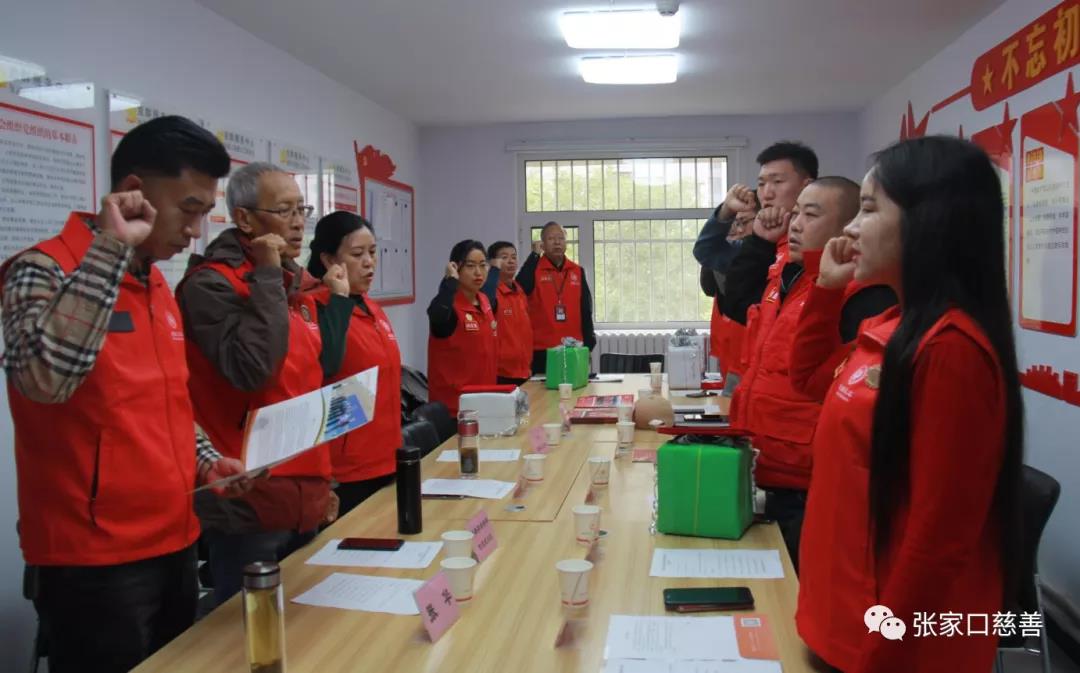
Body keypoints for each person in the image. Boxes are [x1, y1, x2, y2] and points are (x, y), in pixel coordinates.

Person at [0, 115, 248, 673]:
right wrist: (111, 248)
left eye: (205, 214)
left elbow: (160, 404)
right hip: (94, 560)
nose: (195, 231)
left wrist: (206, 460)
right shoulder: (41, 270)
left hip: (175, 538)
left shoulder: (155, 281)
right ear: (134, 191)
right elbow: (43, 380)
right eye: (188, 210)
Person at [793, 136, 1023, 673]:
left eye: (869, 209)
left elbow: (938, 540)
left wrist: (883, 654)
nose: (851, 229)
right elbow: (807, 379)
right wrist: (825, 290)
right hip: (838, 624)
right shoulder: (889, 329)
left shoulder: (950, 351)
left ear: (929, 221)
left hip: (886, 649)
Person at [178, 161, 352, 604]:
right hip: (248, 503)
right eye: (284, 210)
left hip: (304, 495)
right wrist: (269, 274)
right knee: (247, 632)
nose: (297, 222)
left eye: (301, 209)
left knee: (313, 629)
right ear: (244, 218)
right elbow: (254, 370)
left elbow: (308, 385)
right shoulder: (210, 285)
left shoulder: (299, 285)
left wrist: (325, 483)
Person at [723, 176, 896, 570]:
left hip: (807, 480)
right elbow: (735, 301)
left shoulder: (864, 294)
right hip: (763, 464)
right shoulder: (792, 275)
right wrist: (759, 243)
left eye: (811, 215)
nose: (795, 224)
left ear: (848, 228)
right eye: (796, 213)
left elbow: (835, 390)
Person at [308, 211, 402, 516]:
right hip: (347, 470)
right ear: (328, 260)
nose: (369, 262)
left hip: (387, 457)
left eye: (372, 252)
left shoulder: (372, 308)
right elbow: (324, 370)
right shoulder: (317, 308)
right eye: (357, 254)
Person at [427, 239, 498, 414]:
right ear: (456, 267)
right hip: (455, 409)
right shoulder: (448, 306)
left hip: (486, 401)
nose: (478, 272)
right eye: (470, 266)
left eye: (483, 265)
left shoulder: (484, 300)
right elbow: (436, 314)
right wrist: (450, 281)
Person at [517, 221, 596, 374]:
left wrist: (589, 342)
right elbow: (520, 288)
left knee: (576, 387)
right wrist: (534, 255)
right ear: (543, 244)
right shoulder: (533, 270)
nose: (557, 242)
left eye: (561, 238)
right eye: (551, 238)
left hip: (574, 348)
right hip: (541, 350)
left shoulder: (577, 270)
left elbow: (586, 309)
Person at [696, 194, 757, 391]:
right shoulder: (733, 250)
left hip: (751, 353)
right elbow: (709, 287)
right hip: (730, 346)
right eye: (736, 223)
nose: (738, 230)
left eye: (744, 222)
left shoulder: (760, 255)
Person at [487, 240, 533, 385]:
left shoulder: (520, 292)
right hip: (500, 373)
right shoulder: (490, 293)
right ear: (492, 263)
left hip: (524, 370)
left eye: (513, 257)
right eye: (504, 257)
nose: (511, 261)